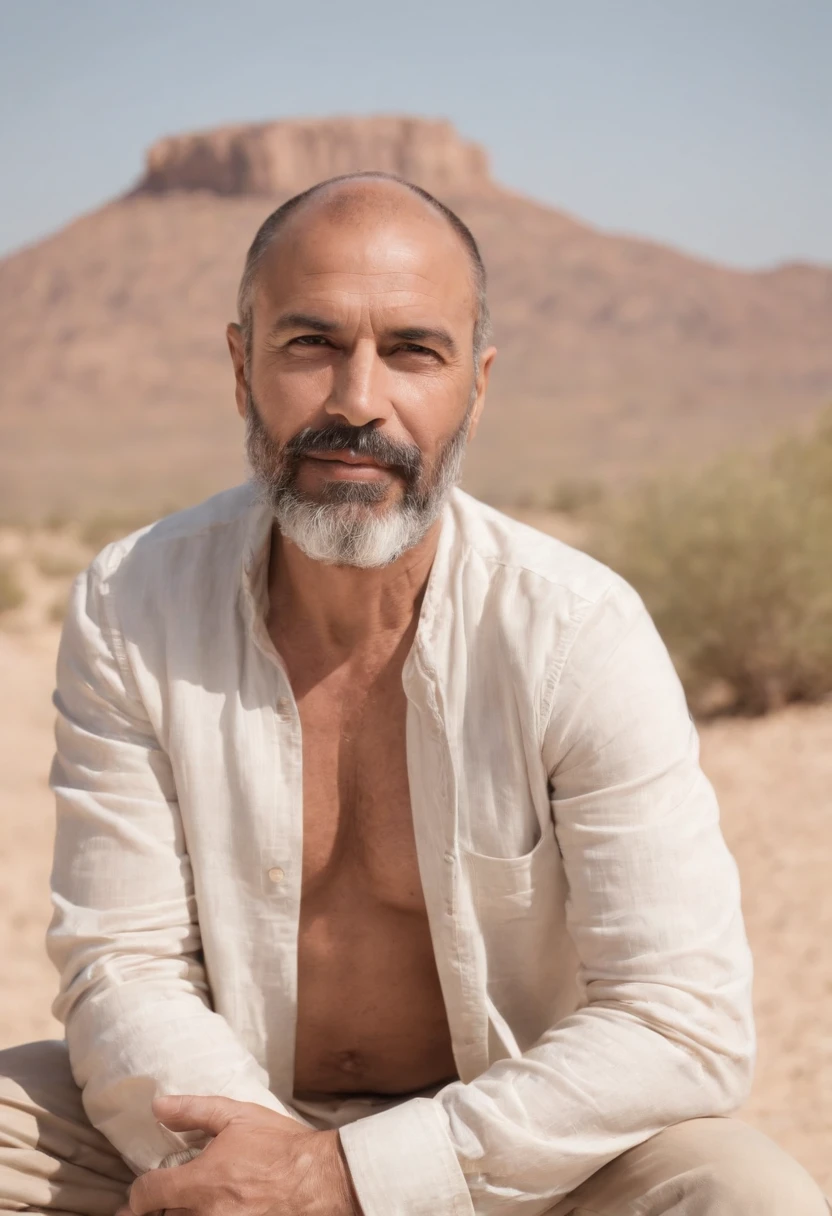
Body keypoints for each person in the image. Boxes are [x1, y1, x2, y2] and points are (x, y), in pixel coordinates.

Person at [0, 172, 827, 1216]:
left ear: (475, 386)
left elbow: (678, 1017)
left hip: (519, 1153)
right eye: (308, 344)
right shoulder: (134, 603)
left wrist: (350, 1181)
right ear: (239, 364)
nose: (357, 400)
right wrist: (259, 1174)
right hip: (223, 1127)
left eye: (411, 351)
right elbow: (124, 964)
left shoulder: (576, 633)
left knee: (751, 1197)